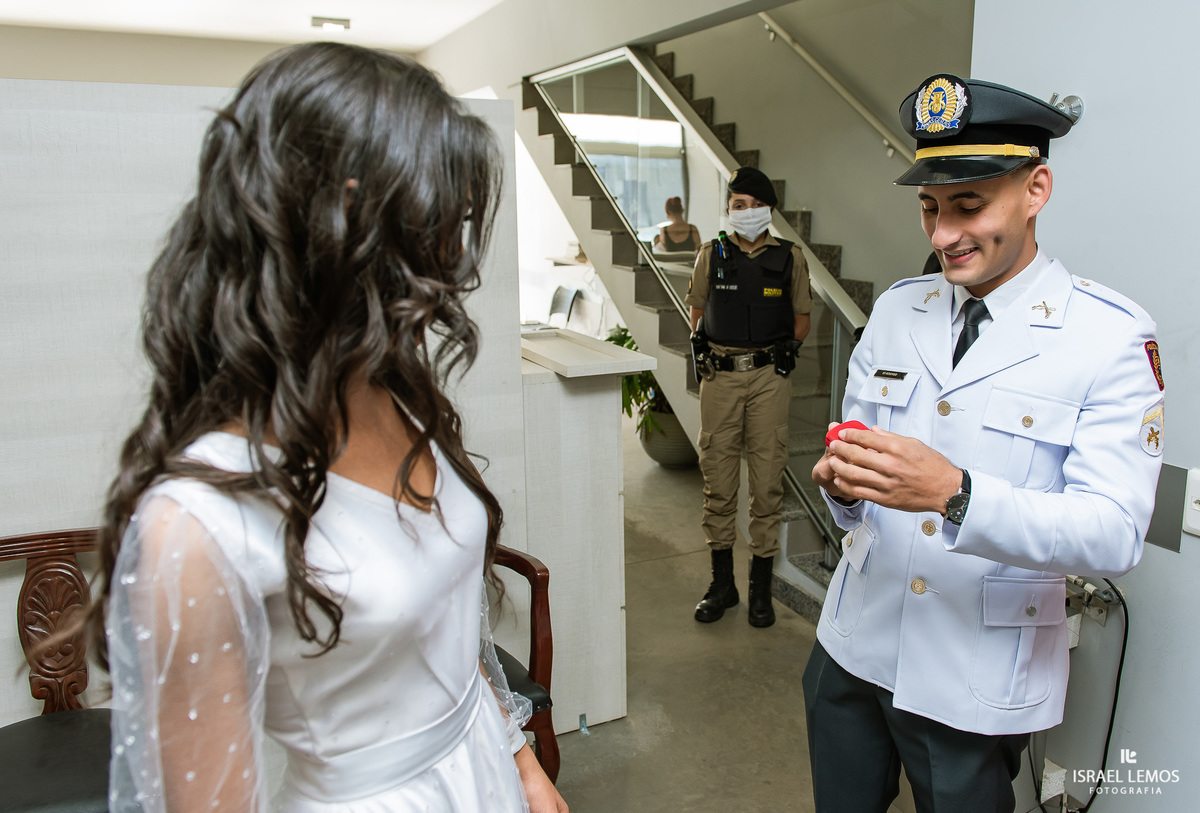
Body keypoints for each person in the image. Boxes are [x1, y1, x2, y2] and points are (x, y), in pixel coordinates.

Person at [90, 42, 567, 813]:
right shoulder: (196, 522)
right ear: (336, 218)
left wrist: (518, 759)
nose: (452, 252)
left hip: (479, 768)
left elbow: (442, 624)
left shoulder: (392, 391)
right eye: (435, 217)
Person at [804, 74, 1165, 812]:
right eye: (930, 208)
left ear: (1037, 189)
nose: (942, 235)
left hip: (973, 672)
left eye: (968, 205)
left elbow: (1115, 531)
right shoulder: (900, 309)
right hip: (851, 644)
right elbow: (859, 481)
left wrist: (955, 493)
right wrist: (843, 487)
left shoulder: (1109, 337)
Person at [684, 166, 813, 628]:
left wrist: (773, 352)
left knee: (766, 481)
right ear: (729, 211)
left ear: (768, 210)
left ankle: (760, 589)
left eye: (753, 205)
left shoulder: (790, 258)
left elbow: (801, 319)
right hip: (720, 377)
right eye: (737, 205)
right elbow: (697, 312)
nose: (745, 212)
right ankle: (723, 586)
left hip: (767, 380)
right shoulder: (710, 254)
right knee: (718, 481)